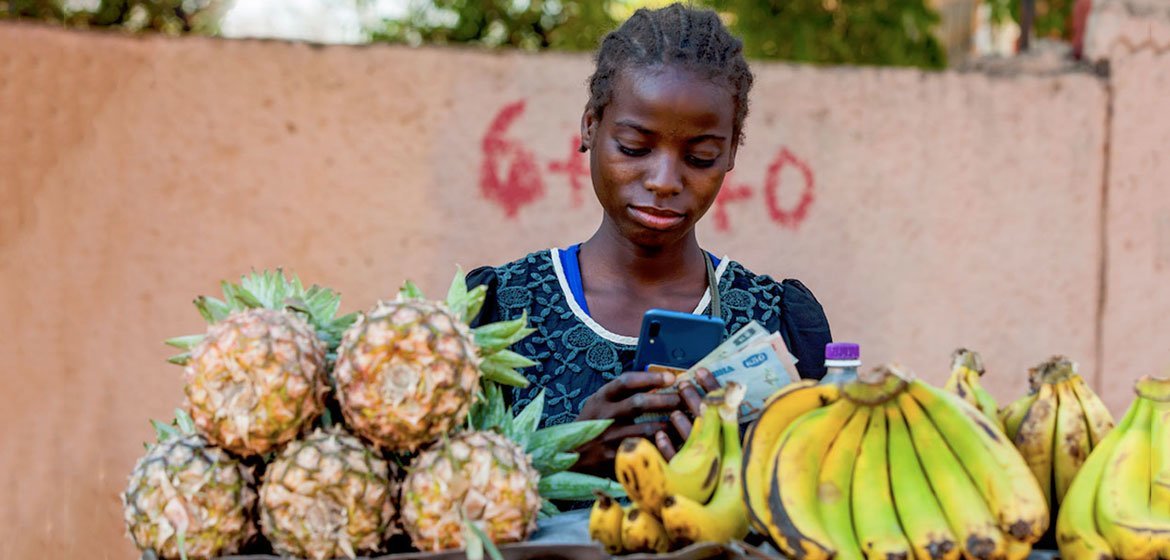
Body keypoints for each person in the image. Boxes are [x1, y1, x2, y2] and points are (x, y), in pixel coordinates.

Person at [466, 3, 832, 479]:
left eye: (700, 157)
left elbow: (825, 499)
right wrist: (564, 457)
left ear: (731, 151)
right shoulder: (502, 312)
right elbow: (440, 502)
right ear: (591, 125)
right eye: (635, 148)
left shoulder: (777, 323)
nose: (664, 181)